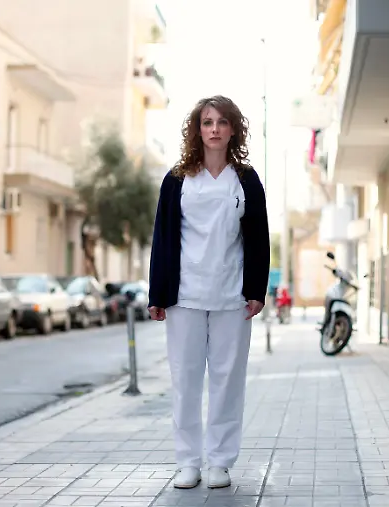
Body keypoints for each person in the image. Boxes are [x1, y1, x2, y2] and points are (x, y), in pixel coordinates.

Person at [147, 96, 270, 489]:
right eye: (206, 122)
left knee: (227, 380)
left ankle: (219, 461)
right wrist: (157, 293)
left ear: (233, 129)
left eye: (221, 122)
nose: (214, 129)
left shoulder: (246, 179)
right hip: (184, 295)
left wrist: (257, 290)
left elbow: (258, 239)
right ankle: (188, 461)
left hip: (232, 296)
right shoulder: (177, 179)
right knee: (185, 380)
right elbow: (163, 238)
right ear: (196, 130)